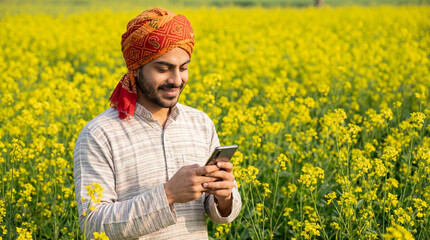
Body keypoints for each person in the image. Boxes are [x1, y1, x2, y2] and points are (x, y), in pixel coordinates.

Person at [73, 8, 242, 240]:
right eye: (163, 69)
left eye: (183, 68)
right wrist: (168, 195)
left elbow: (222, 214)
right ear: (135, 69)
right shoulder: (99, 134)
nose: (176, 80)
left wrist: (224, 197)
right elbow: (92, 225)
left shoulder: (200, 123)